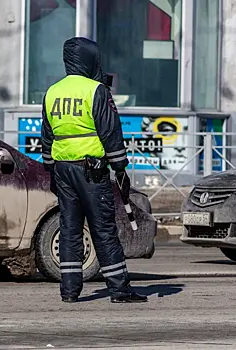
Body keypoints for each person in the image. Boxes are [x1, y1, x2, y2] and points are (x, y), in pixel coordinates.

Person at [41, 37, 148, 304]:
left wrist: (50, 170)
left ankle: (69, 291)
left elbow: (47, 136)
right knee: (103, 229)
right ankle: (120, 290)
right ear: (90, 60)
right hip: (92, 170)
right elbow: (111, 132)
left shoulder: (52, 92)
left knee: (70, 229)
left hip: (63, 170)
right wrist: (120, 168)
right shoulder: (96, 90)